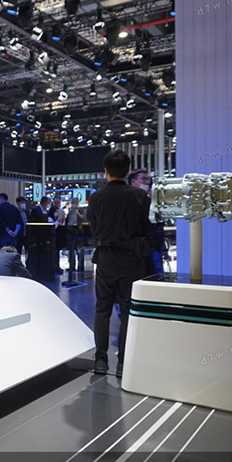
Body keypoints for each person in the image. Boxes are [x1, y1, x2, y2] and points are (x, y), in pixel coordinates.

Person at [87, 150, 151, 378]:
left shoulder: (96, 197)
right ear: (127, 170)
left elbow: (93, 229)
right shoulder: (140, 196)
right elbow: (146, 228)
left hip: (106, 258)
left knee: (103, 309)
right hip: (132, 259)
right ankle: (123, 362)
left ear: (105, 170)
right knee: (127, 310)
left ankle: (100, 359)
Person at [66, 198, 84, 271]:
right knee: (71, 251)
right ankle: (72, 266)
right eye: (72, 202)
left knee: (80, 250)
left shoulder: (81, 210)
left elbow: (83, 218)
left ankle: (80, 266)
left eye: (74, 202)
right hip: (71, 231)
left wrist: (77, 212)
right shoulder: (70, 211)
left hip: (78, 231)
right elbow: (67, 220)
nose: (73, 204)